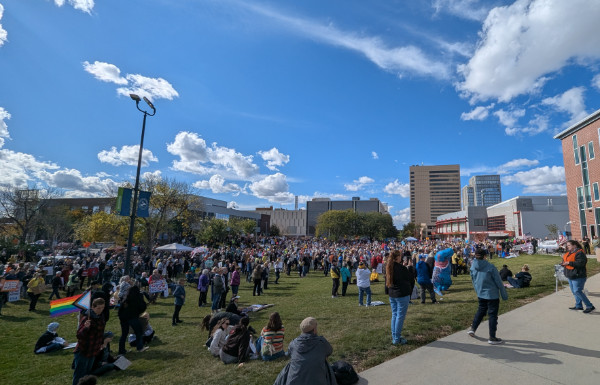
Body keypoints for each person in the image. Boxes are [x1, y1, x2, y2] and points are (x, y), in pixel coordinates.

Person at [273, 317, 336, 385]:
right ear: (314, 329)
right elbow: (329, 351)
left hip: (293, 382)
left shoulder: (293, 344)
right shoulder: (321, 342)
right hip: (318, 380)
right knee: (325, 361)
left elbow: (289, 354)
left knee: (291, 365)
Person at [468, 248, 508, 345]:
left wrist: (477, 291)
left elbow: (473, 281)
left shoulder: (473, 267)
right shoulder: (490, 267)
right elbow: (498, 281)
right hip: (492, 294)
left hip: (481, 293)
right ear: (485, 256)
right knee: (492, 315)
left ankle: (473, 328)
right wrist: (504, 294)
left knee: (481, 311)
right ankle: (492, 337)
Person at [72, 298, 107, 385]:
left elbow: (101, 332)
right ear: (93, 307)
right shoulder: (86, 319)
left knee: (87, 374)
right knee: (79, 374)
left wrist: (101, 343)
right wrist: (85, 328)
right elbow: (79, 335)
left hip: (94, 349)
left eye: (103, 307)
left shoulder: (101, 316)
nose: (101, 310)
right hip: (83, 350)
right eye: (98, 308)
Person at [385, 251, 411, 345]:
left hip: (392, 293)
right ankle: (396, 338)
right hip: (401, 294)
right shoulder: (401, 268)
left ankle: (395, 336)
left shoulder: (389, 267)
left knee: (395, 315)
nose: (401, 258)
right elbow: (410, 278)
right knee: (399, 316)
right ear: (397, 257)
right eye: (400, 256)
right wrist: (409, 267)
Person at [561, 240, 595, 313]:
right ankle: (578, 306)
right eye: (567, 245)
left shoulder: (580, 253)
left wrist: (569, 263)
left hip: (578, 276)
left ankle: (589, 306)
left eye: (569, 245)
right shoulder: (568, 253)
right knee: (574, 292)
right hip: (570, 275)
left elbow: (581, 263)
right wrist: (563, 263)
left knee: (577, 291)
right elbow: (565, 260)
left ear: (574, 245)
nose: (567, 247)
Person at [117, 285, 148, 354]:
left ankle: (121, 350)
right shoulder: (138, 297)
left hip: (123, 318)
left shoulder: (126, 298)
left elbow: (120, 309)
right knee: (138, 332)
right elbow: (142, 307)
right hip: (132, 317)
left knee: (124, 334)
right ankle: (140, 347)